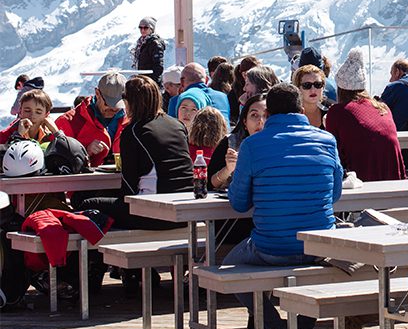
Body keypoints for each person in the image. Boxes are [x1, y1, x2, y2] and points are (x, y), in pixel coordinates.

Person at [227, 84, 343, 329]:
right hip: (319, 245)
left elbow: (238, 203)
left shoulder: (252, 145)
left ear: (268, 115)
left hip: (272, 247)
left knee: (230, 267)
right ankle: (303, 327)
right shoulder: (327, 140)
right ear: (301, 109)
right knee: (320, 268)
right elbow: (335, 194)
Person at [82, 75, 192, 230]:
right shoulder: (178, 126)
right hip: (185, 210)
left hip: (154, 212)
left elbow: (129, 185)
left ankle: (95, 253)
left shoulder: (133, 132)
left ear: (130, 102)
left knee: (87, 203)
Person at [325, 51, 405, 181]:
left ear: (340, 88)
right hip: (394, 176)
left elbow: (333, 152)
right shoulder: (383, 107)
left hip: (362, 178)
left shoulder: (337, 112)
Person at [55, 72, 127, 166]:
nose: (113, 109)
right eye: (108, 104)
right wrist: (85, 152)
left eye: (118, 106)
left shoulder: (131, 120)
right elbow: (56, 160)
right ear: (97, 93)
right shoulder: (68, 121)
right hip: (85, 180)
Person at [210, 95, 268, 190]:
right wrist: (228, 169)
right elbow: (210, 184)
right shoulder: (229, 143)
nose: (261, 121)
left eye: (267, 116)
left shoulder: (282, 146)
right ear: (245, 122)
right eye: (254, 115)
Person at [293, 56, 333, 131]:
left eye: (318, 84)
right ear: (298, 88)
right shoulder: (291, 114)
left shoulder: (332, 111)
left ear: (323, 86)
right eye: (307, 85)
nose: (313, 89)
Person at [132, 17, 166, 84]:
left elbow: (158, 66)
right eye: (140, 27)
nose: (142, 30)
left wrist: (152, 82)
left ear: (151, 29)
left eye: (145, 28)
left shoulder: (155, 43)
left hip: (150, 82)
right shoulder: (142, 43)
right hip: (143, 79)